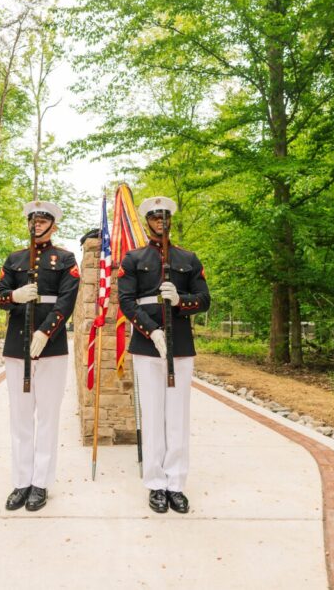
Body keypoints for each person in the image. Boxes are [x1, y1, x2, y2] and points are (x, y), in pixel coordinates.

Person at [117, 196, 210, 514]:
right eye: (155, 217)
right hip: (147, 346)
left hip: (180, 345)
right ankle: (156, 483)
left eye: (165, 217)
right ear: (148, 222)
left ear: (170, 220)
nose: (161, 221)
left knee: (178, 416)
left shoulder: (188, 258)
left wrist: (181, 300)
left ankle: (176, 483)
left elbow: (204, 299)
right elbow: (126, 301)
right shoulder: (133, 258)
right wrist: (152, 331)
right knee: (154, 415)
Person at [0, 201, 80, 512]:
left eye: (44, 220)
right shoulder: (15, 259)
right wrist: (14, 296)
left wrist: (46, 332)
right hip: (17, 346)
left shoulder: (65, 259)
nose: (38, 224)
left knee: (47, 417)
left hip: (51, 347)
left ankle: (40, 482)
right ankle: (21, 481)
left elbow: (67, 301)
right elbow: (0, 297)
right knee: (20, 418)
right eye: (34, 220)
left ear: (53, 226)